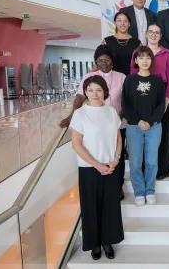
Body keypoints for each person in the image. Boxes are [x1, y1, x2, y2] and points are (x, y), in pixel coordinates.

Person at [60, 45, 127, 200]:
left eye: (107, 60)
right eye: (100, 61)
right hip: (94, 127)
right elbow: (79, 97)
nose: (104, 64)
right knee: (96, 153)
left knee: (117, 156)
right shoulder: (89, 77)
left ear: (112, 61)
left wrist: (117, 118)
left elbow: (126, 102)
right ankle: (100, 183)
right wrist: (71, 116)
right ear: (96, 62)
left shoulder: (121, 77)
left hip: (116, 124)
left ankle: (117, 186)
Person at [69, 75, 124, 260]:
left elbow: (118, 138)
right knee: (90, 207)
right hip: (89, 168)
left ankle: (107, 241)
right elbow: (76, 144)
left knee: (110, 207)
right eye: (90, 90)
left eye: (98, 90)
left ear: (105, 92)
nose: (94, 93)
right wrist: (97, 164)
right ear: (85, 92)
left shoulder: (111, 111)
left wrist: (116, 159)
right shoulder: (80, 114)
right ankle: (94, 244)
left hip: (110, 166)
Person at [131, 23, 169, 180]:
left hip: (163, 93)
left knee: (164, 133)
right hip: (144, 93)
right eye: (151, 31)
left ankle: (163, 168)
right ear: (146, 34)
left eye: (157, 32)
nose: (154, 34)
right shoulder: (138, 52)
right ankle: (145, 168)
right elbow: (133, 76)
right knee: (145, 132)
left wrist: (167, 100)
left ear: (161, 36)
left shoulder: (167, 53)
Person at [123, 46, 165, 206]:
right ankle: (139, 192)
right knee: (135, 162)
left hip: (154, 127)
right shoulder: (129, 80)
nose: (145, 60)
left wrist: (151, 121)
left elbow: (161, 104)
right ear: (136, 60)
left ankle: (150, 191)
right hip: (134, 127)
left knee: (152, 161)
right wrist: (138, 121)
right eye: (141, 58)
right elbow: (125, 105)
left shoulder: (157, 80)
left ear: (151, 60)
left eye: (148, 57)